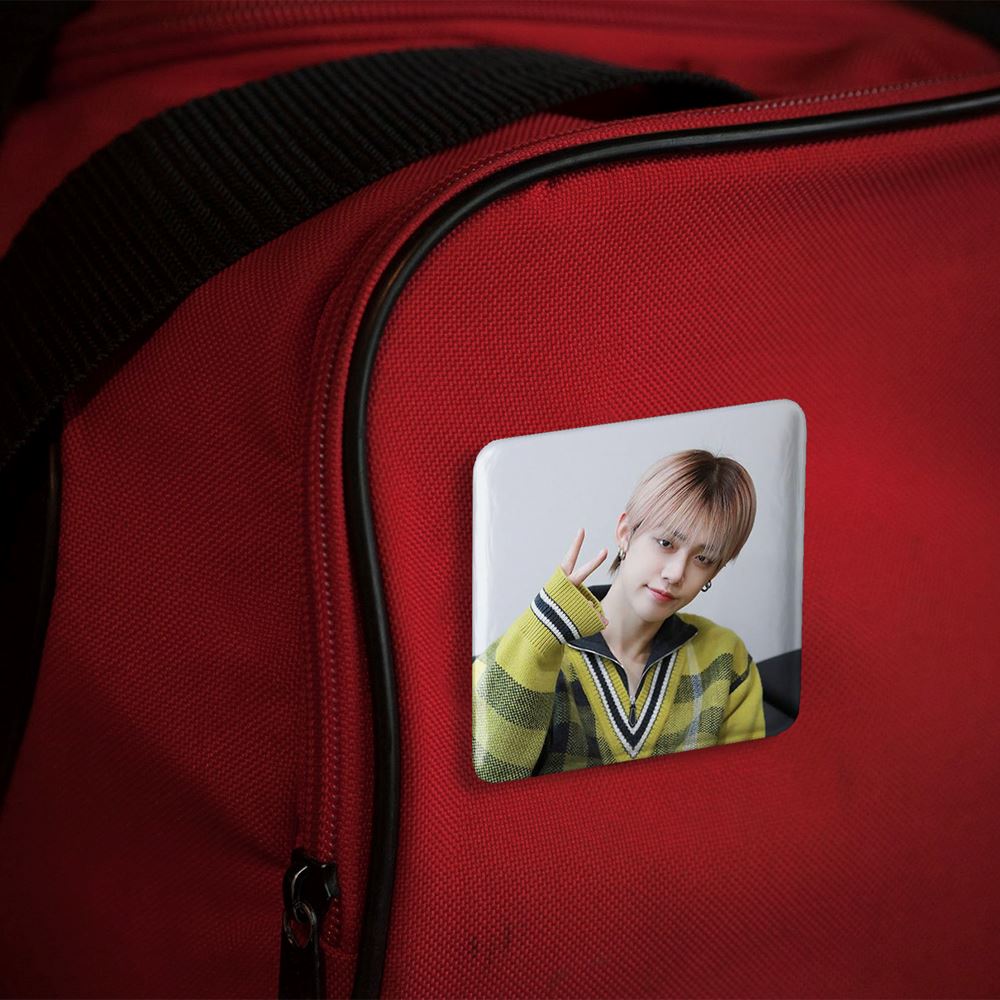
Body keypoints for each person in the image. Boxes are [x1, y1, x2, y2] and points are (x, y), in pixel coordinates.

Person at [472, 448, 766, 783]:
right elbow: (490, 779)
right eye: (666, 543)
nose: (675, 573)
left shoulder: (725, 658)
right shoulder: (521, 651)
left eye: (704, 559)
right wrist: (540, 636)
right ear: (625, 532)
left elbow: (743, 787)